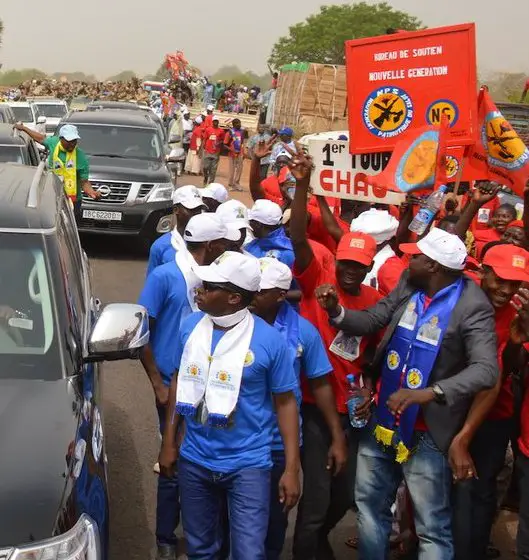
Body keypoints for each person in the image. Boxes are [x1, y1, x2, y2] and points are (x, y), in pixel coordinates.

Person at [316, 227, 499, 559]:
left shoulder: (473, 305)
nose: (407, 259)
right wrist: (336, 312)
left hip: (427, 431)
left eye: (415, 256)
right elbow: (374, 318)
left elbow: (486, 370)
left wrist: (431, 392)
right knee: (370, 510)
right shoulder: (409, 285)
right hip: (384, 421)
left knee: (432, 528)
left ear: (433, 266)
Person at [159, 251, 301, 560]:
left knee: (249, 553)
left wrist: (291, 468)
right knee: (200, 550)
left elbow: (286, 403)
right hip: (195, 459)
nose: (200, 290)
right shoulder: (190, 328)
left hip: (247, 465)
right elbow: (178, 384)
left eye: (210, 287)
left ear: (235, 298)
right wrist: (169, 443)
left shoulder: (269, 341)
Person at [288, 166, 381, 559]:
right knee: (315, 501)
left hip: (354, 413)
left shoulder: (375, 304)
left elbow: (374, 357)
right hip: (313, 407)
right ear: (336, 260)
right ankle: (305, 550)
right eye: (345, 263)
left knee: (345, 496)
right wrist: (304, 185)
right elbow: (296, 235)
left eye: (358, 266)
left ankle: (319, 540)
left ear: (368, 268)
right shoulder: (316, 283)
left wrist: (370, 391)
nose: (349, 271)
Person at [139, 214, 239, 560]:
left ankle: (206, 537)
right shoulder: (166, 276)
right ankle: (166, 536)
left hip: (214, 387)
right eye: (223, 244)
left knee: (207, 461)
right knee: (173, 458)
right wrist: (157, 383)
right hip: (173, 385)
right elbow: (140, 333)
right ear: (211, 245)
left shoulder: (222, 282)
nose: (228, 249)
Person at [250, 258, 348, 560]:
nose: (251, 295)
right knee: (241, 520)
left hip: (279, 444)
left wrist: (336, 436)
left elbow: (320, 384)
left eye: (260, 290)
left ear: (280, 295)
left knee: (275, 520)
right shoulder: (233, 323)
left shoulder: (303, 332)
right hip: (241, 440)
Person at [451, 243, 529, 560]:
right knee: (446, 488)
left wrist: (514, 344)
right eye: (500, 279)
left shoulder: (517, 318)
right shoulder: (459, 300)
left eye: (515, 282)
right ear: (484, 272)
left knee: (479, 491)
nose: (506, 289)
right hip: (450, 411)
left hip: (494, 417)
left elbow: (501, 375)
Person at [13, 122, 100, 215]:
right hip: (53, 197)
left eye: (74, 140)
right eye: (69, 141)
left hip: (73, 201)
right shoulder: (53, 143)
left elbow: (84, 182)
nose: (72, 144)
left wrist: (92, 193)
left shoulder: (81, 157)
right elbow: (40, 138)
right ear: (61, 139)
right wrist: (24, 128)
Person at [146, 185, 205, 276]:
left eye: (199, 210)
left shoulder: (208, 244)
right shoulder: (160, 246)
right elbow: (153, 283)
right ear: (176, 210)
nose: (196, 214)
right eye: (191, 210)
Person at [245, 200, 294, 268]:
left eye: (251, 222)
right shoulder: (289, 247)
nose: (249, 225)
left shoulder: (286, 255)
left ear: (258, 225)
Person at [224, 118, 246, 191]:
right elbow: (224, 144)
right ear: (234, 125)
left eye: (240, 123)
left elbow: (242, 142)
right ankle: (230, 184)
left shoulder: (242, 132)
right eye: (237, 123)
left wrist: (243, 152)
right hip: (232, 154)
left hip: (240, 153)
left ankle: (237, 183)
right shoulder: (229, 132)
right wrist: (231, 149)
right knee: (232, 170)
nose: (239, 125)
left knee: (239, 169)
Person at [202, 116, 224, 186]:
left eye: (216, 121)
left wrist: (219, 143)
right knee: (205, 167)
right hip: (208, 151)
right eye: (214, 121)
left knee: (213, 170)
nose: (215, 122)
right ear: (212, 122)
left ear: (218, 122)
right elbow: (205, 139)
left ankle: (210, 184)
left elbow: (222, 141)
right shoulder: (208, 130)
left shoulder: (221, 131)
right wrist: (203, 147)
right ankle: (205, 177)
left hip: (216, 152)